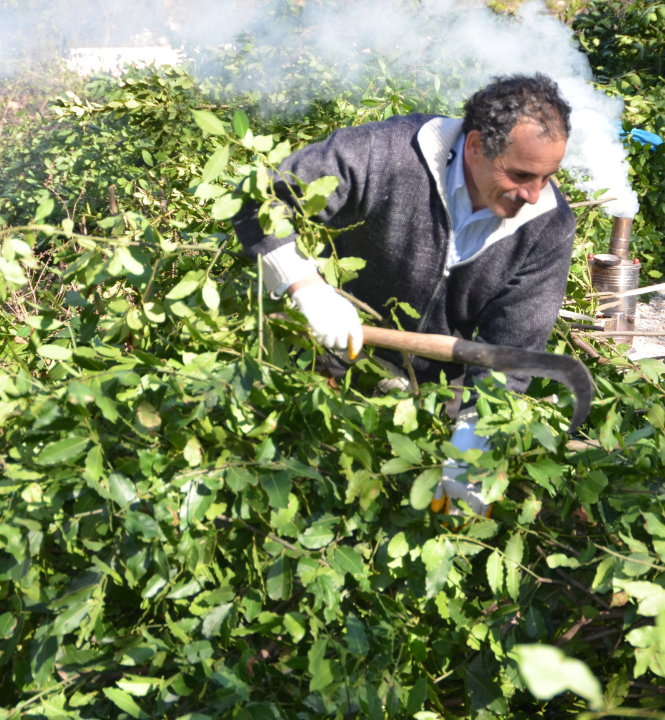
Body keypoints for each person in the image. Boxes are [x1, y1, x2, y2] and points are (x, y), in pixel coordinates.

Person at [234, 74, 576, 516]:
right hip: (322, 357)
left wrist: (473, 443)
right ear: (475, 146)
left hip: (431, 393)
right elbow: (263, 198)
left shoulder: (547, 224)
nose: (533, 195)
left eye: (548, 177)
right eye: (521, 175)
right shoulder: (386, 152)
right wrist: (306, 287)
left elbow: (511, 350)